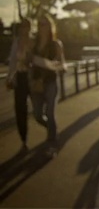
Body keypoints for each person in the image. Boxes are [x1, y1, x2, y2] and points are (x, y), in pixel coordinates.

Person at [31, 15, 65, 158]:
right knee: (38, 115)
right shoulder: (33, 43)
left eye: (44, 24)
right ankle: (53, 131)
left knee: (50, 113)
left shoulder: (55, 44)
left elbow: (62, 63)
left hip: (50, 81)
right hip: (36, 82)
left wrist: (54, 65)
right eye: (39, 24)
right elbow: (27, 60)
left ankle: (52, 143)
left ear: (50, 27)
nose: (41, 27)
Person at [6, 19, 33, 153]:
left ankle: (49, 130)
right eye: (21, 27)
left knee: (38, 107)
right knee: (20, 109)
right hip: (21, 78)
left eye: (26, 26)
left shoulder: (34, 41)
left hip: (33, 77)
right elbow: (12, 60)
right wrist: (10, 77)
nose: (24, 29)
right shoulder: (16, 42)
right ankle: (24, 140)